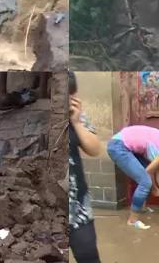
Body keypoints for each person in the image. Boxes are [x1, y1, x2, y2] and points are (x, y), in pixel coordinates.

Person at [67, 72, 102, 263]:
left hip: (78, 206)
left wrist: (77, 122)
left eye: (72, 95)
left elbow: (95, 149)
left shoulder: (77, 116)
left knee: (88, 256)